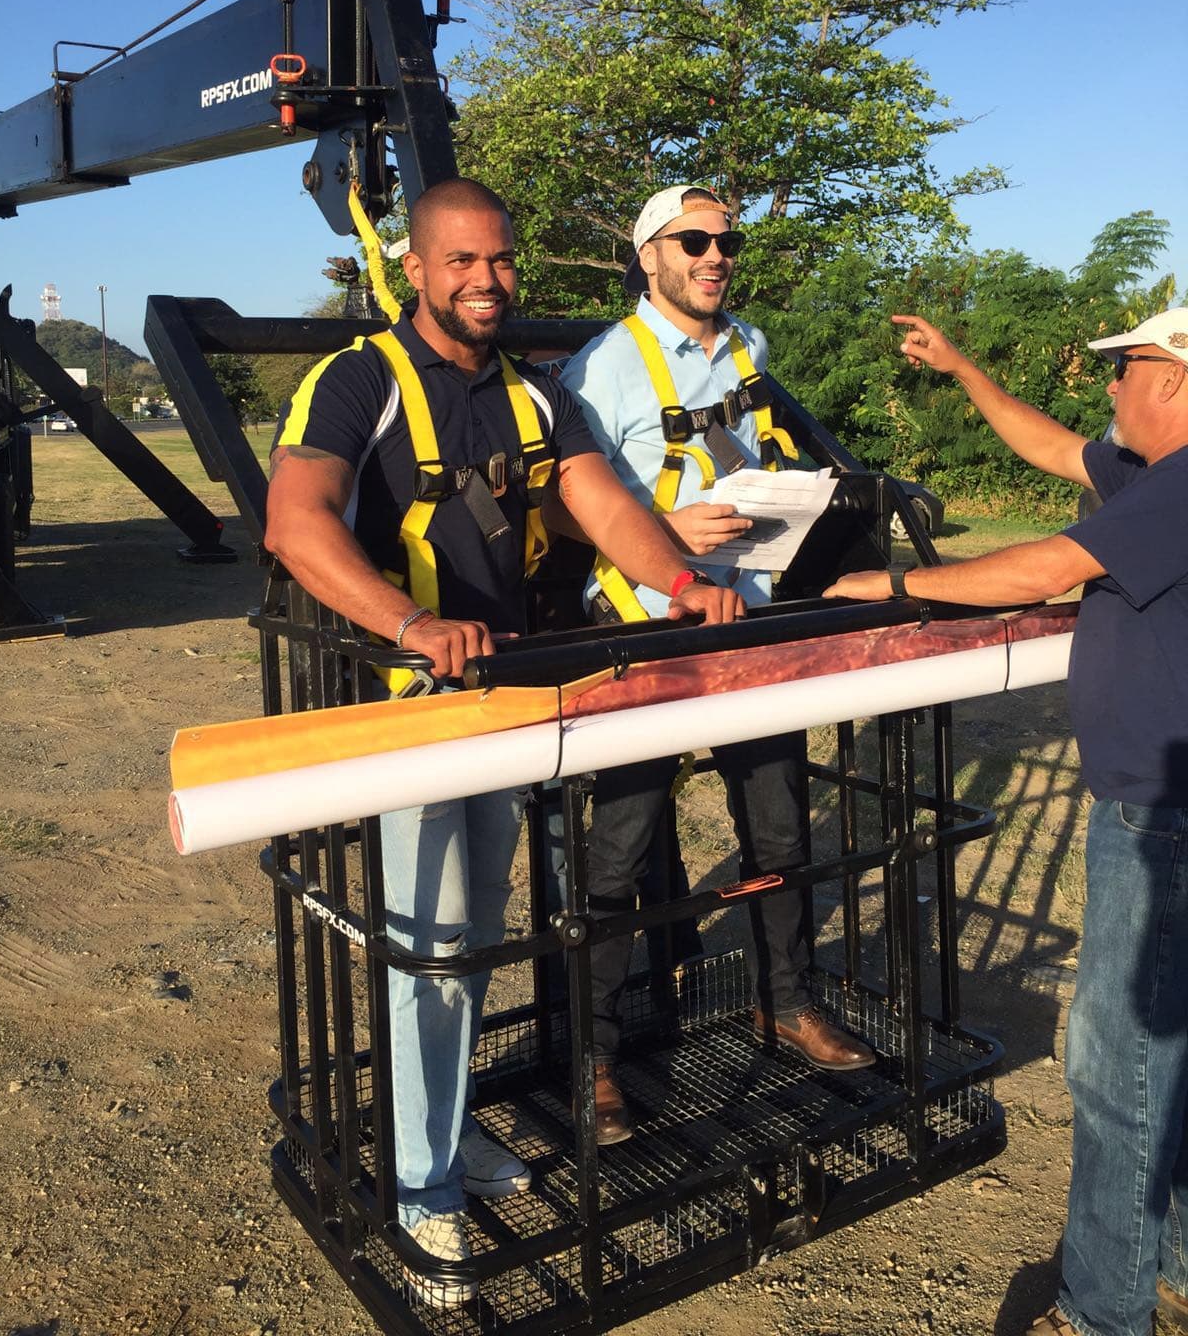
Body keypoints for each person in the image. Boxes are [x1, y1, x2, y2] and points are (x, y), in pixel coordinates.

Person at [263, 177, 744, 1306]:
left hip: (502, 705)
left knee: (473, 936)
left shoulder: (532, 394)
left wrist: (678, 582)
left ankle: (439, 1133)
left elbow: (603, 502)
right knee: (427, 948)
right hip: (410, 710)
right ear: (417, 269)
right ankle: (421, 1188)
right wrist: (410, 624)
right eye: (462, 262)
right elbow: (294, 521)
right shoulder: (358, 382)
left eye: (502, 260)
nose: (487, 281)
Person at [824, 309, 1188, 1336]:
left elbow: (1039, 570)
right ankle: (1170, 1267)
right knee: (1169, 1055)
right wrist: (962, 367)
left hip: (1161, 820)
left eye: (1122, 368)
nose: (1109, 386)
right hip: (1159, 809)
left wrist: (898, 582)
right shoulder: (1154, 477)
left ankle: (1103, 1311)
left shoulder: (1183, 484)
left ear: (1170, 376)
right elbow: (1052, 446)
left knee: (1120, 1070)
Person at [558, 184, 876, 1147]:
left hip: (750, 621)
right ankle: (592, 1054)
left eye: (726, 243)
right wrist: (663, 530)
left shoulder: (748, 348)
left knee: (779, 827)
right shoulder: (600, 368)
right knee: (619, 847)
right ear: (649, 254)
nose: (714, 257)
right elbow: (565, 505)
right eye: (693, 240)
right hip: (648, 629)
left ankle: (787, 1001)